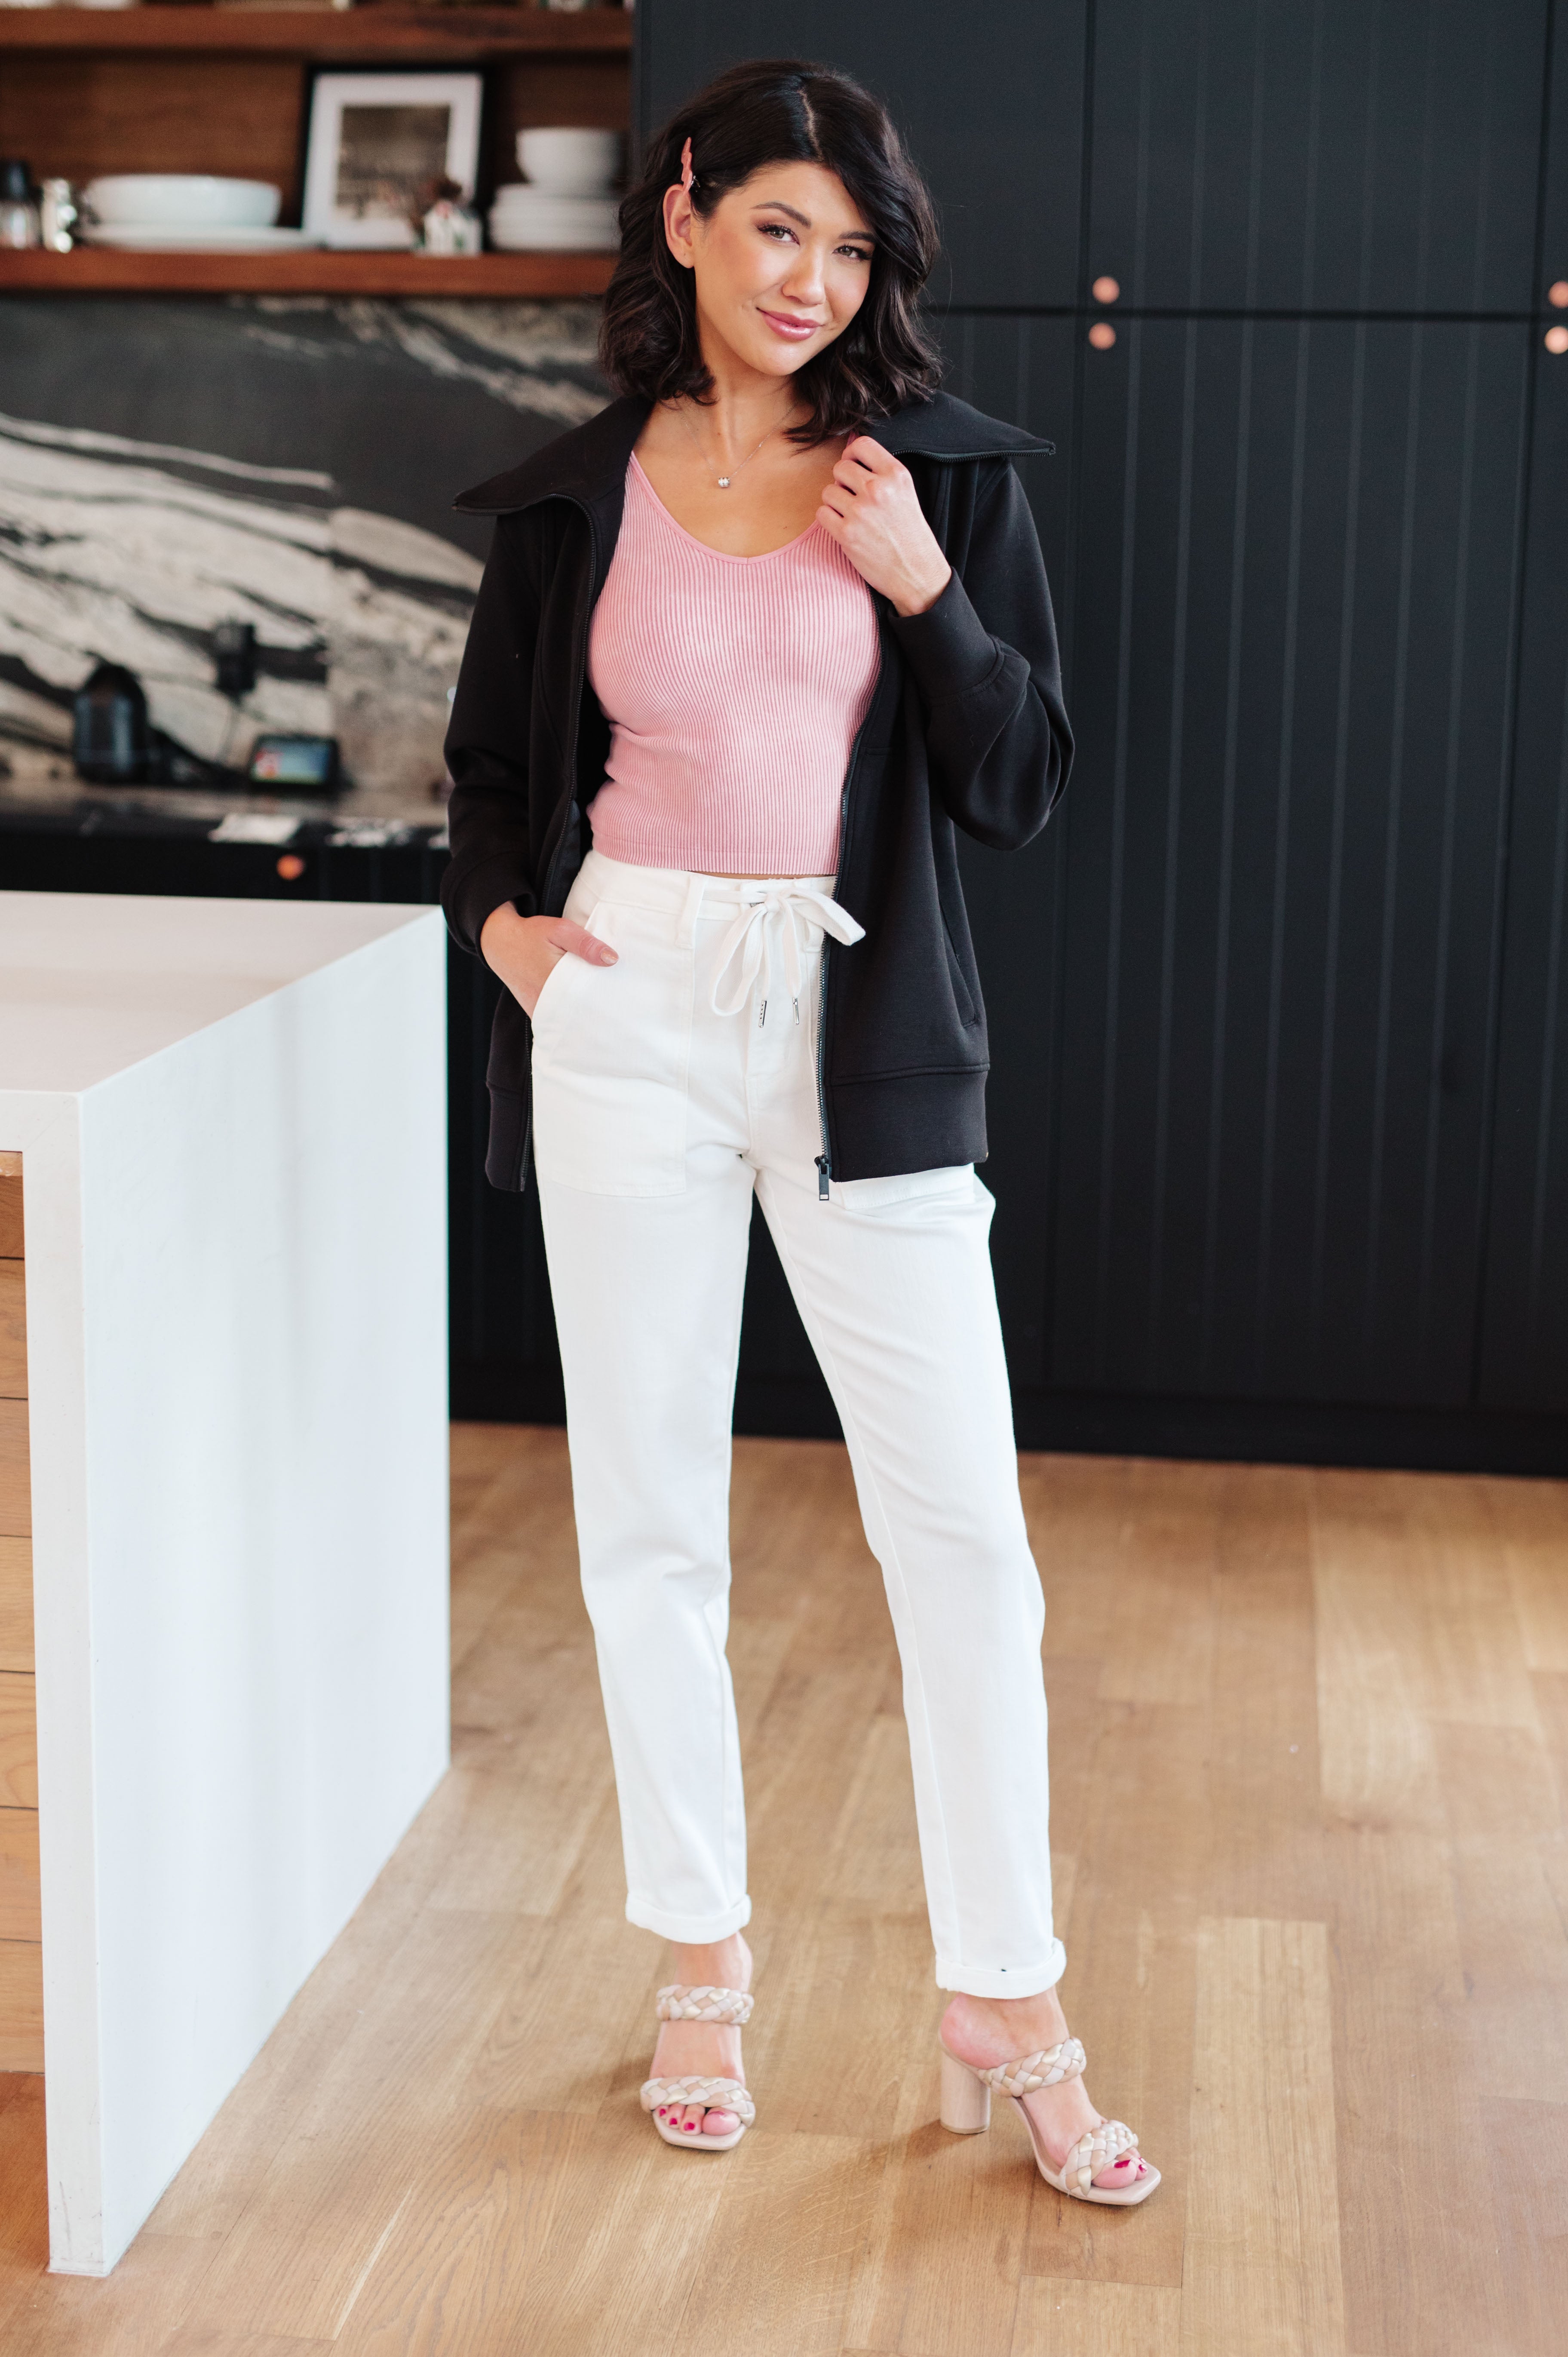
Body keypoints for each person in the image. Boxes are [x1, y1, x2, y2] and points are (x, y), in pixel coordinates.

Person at [441, 56, 1158, 2207]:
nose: (812, 282)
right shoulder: (585, 491)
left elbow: (1022, 781)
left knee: (965, 1541)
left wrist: (930, 586)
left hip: (867, 1038)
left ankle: (1005, 1996)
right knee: (649, 1515)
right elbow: (492, 764)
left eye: (851, 250)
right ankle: (703, 1959)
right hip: (632, 1001)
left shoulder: (933, 475)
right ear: (684, 218)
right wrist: (520, 942)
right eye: (777, 228)